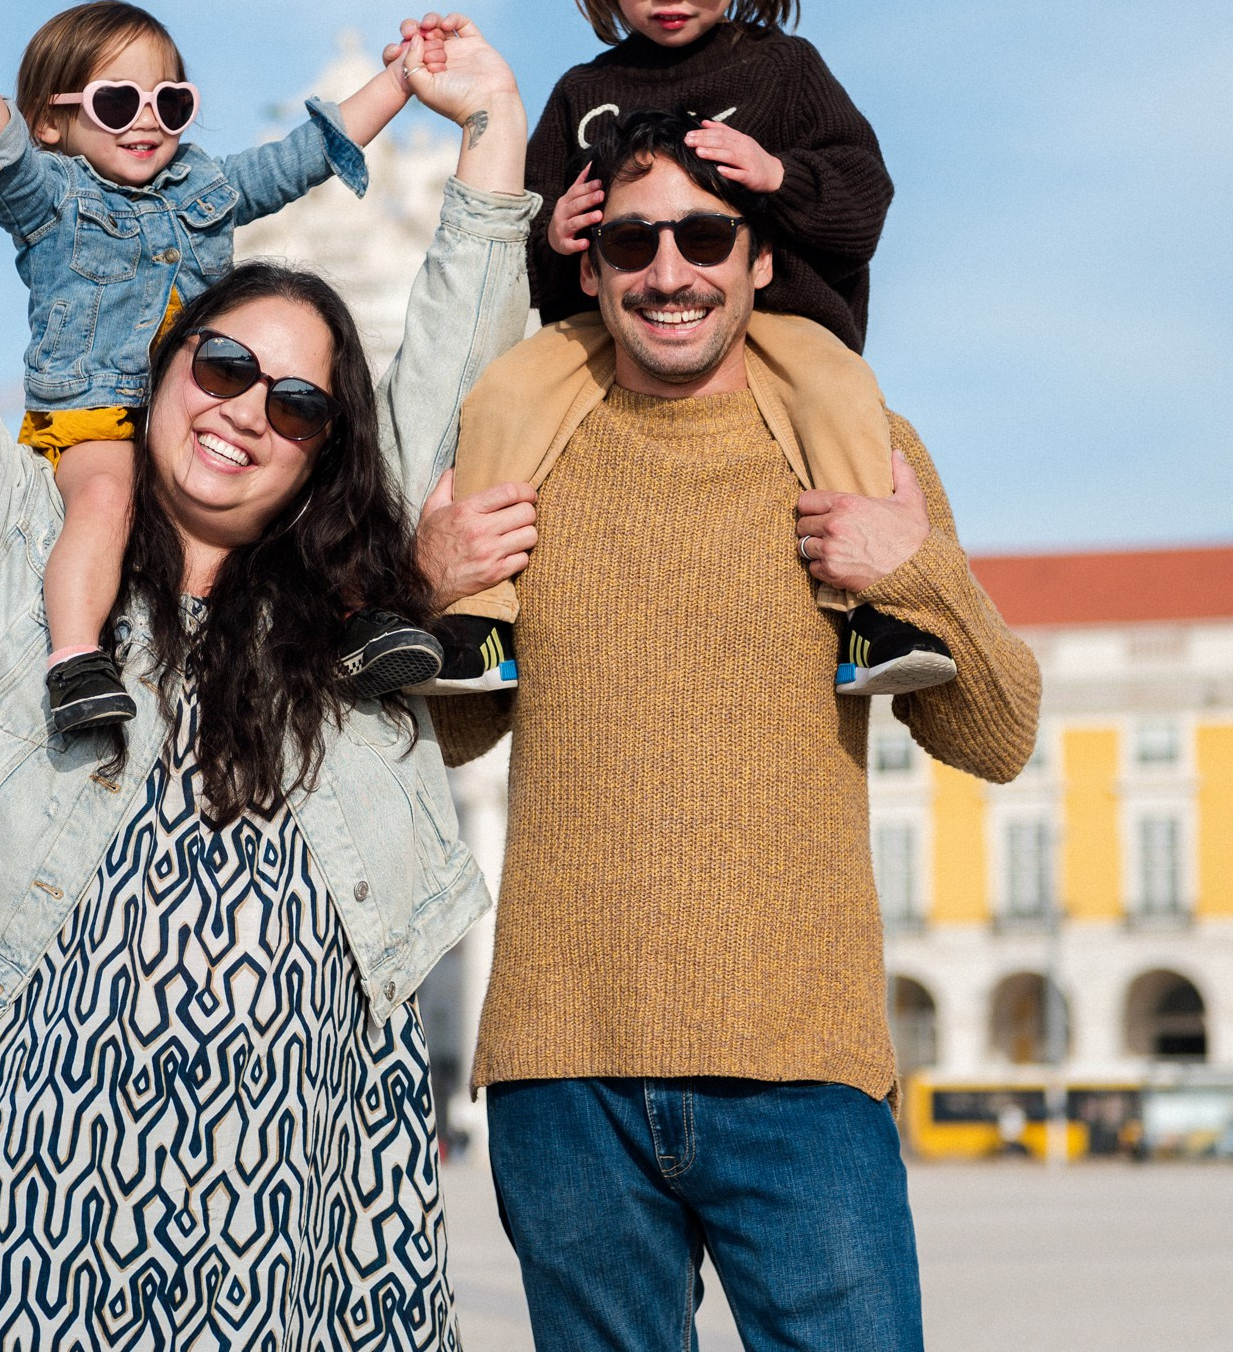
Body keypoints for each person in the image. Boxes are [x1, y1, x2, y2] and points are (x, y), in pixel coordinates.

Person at [0, 0, 538, 1350]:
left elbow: (457, 347)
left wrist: (492, 123)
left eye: (301, 399)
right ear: (158, 369)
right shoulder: (7, 534)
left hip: (311, 1243)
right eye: (220, 362)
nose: (249, 410)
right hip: (24, 1243)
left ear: (330, 448)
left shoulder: (344, 628)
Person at [422, 113, 1042, 1351]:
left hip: (800, 1060)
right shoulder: (521, 445)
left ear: (759, 259)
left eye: (705, 235)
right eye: (635, 239)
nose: (668, 270)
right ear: (590, 263)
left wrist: (911, 570)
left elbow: (995, 731)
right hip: (564, 1068)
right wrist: (432, 584)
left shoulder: (857, 447)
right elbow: (453, 736)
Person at [426, 0, 952, 700]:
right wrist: (555, 234)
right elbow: (538, 263)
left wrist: (781, 176)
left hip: (781, 324)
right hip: (608, 331)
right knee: (508, 391)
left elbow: (865, 198)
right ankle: (477, 617)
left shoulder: (785, 72)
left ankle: (871, 612)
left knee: (840, 393)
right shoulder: (583, 95)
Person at [0, 0, 448, 734]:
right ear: (53, 123)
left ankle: (359, 621)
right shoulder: (49, 197)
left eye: (171, 100)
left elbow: (306, 157)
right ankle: (74, 661)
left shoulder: (207, 187)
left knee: (314, 492)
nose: (149, 118)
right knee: (106, 504)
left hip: (193, 407)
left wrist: (401, 79)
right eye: (119, 101)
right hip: (95, 414)